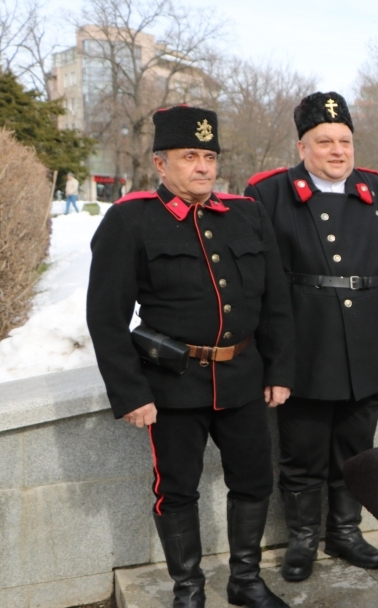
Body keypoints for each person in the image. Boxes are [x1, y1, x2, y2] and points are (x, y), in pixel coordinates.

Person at [86, 105, 294, 608]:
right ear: (161, 164)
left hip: (243, 377)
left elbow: (276, 301)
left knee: (253, 480)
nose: (202, 166)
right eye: (189, 156)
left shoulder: (245, 213)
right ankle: (189, 590)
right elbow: (106, 317)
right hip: (171, 385)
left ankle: (245, 581)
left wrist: (280, 370)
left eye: (208, 156)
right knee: (176, 490)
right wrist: (131, 393)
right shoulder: (130, 220)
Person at [244, 91, 378, 582]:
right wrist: (274, 357)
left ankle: (345, 531)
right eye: (324, 142)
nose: (338, 150)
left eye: (345, 140)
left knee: (356, 447)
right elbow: (262, 283)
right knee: (301, 451)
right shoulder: (269, 193)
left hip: (368, 336)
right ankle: (301, 541)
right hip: (305, 339)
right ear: (302, 147)